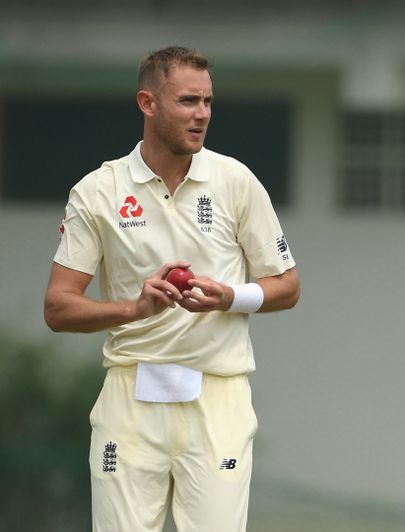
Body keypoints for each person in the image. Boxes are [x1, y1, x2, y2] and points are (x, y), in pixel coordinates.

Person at [43, 46, 300, 532]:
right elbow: (58, 307)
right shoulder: (97, 190)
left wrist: (231, 296)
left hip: (218, 397)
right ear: (148, 103)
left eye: (207, 102)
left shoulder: (236, 181)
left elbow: (288, 285)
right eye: (187, 101)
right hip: (130, 399)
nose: (202, 115)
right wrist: (134, 308)